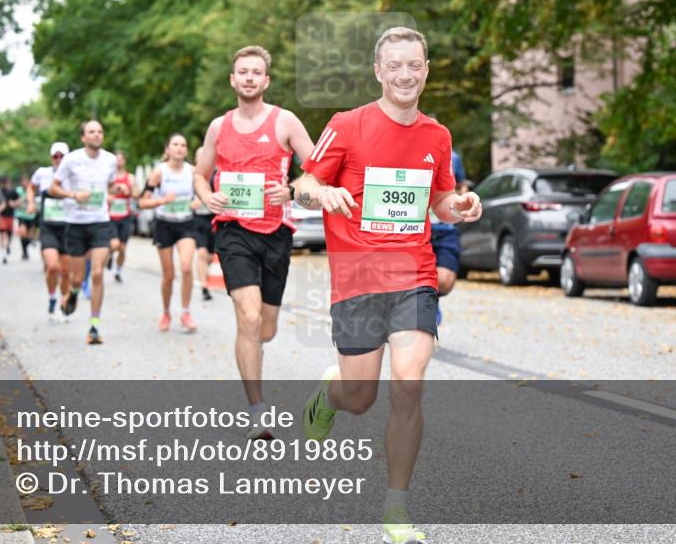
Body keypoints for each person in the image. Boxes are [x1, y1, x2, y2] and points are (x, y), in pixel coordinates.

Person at [295, 27, 481, 543]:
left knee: (409, 381)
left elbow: (441, 200)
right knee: (360, 396)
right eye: (394, 65)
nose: (405, 74)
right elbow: (304, 182)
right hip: (356, 279)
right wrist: (323, 195)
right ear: (379, 71)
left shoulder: (437, 136)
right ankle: (329, 397)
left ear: (426, 68)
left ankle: (396, 510)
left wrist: (459, 208)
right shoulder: (347, 125)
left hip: (414, 276)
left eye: (414, 65)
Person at [194, 44, 316, 439]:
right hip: (233, 231)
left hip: (276, 234)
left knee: (265, 330)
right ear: (233, 79)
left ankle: (254, 354)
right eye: (242, 71)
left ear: (266, 80)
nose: (248, 77)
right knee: (247, 318)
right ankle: (257, 410)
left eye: (256, 72)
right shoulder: (219, 126)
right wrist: (206, 196)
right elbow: (200, 174)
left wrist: (293, 190)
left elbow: (317, 169)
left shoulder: (285, 122)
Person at [50, 121, 118, 345]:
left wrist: (116, 191)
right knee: (78, 278)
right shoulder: (71, 159)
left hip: (100, 222)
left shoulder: (110, 160)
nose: (97, 135)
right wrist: (73, 195)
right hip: (75, 223)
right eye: (92, 132)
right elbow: (54, 188)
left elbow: (109, 187)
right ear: (83, 138)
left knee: (97, 273)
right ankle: (73, 292)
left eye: (100, 131)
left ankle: (94, 327)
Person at [139, 134, 198, 332]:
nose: (180, 148)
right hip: (164, 224)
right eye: (176, 144)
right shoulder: (159, 172)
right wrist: (161, 201)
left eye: (183, 145)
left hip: (186, 224)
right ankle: (166, 312)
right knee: (169, 275)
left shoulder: (192, 171)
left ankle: (186, 312)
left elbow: (204, 193)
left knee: (187, 267)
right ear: (168, 150)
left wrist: (200, 201)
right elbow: (142, 202)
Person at [32, 143, 72, 322]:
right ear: (51, 158)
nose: (58, 159)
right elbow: (30, 188)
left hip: (67, 227)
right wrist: (31, 202)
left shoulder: (73, 176)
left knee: (65, 271)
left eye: (62, 156)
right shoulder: (42, 173)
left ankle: (64, 302)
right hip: (48, 226)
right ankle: (52, 297)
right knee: (53, 266)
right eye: (55, 156)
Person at [429, 148, 469, 324]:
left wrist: (463, 203)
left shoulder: (453, 157)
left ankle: (429, 299)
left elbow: (461, 184)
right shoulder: (407, 152)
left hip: (446, 227)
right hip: (420, 227)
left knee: (445, 281)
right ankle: (421, 306)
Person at [192, 146, 216, 302]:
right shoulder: (191, 175)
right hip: (197, 220)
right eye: (199, 156)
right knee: (201, 253)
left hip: (212, 218)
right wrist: (192, 201)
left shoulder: (215, 175)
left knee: (210, 256)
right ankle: (204, 285)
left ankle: (204, 278)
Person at [107, 150, 135, 284]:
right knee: (114, 244)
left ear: (124, 161)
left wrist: (128, 191)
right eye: (116, 160)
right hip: (111, 216)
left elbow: (137, 194)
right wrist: (109, 198)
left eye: (120, 159)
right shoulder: (108, 177)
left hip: (125, 216)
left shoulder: (130, 178)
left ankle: (118, 271)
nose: (118, 162)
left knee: (122, 248)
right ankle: (109, 254)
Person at [14, 173, 38, 260]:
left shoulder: (32, 190)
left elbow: (36, 201)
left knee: (29, 236)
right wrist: (23, 198)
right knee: (23, 233)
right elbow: (15, 203)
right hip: (21, 215)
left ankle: (27, 248)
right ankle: (24, 252)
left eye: (26, 181)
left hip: (31, 216)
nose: (24, 183)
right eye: (23, 181)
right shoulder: (18, 191)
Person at [0, 176, 19, 264]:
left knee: (9, 236)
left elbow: (18, 201)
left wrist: (14, 204)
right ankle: (4, 254)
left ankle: (7, 247)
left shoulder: (12, 191)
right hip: (1, 216)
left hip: (10, 216)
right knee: (3, 235)